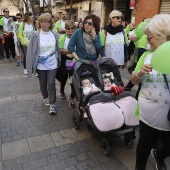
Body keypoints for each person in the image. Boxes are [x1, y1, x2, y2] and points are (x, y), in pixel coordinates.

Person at [131, 14, 170, 170]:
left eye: (150, 38)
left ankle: (159, 155)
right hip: (148, 114)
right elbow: (133, 80)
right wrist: (140, 73)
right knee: (144, 144)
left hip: (168, 115)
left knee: (168, 146)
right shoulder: (147, 56)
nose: (147, 41)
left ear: (162, 37)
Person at [26, 13, 61, 114]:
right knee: (43, 83)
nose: (43, 23)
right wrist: (31, 65)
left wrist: (58, 59)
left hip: (52, 62)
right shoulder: (36, 35)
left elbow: (57, 49)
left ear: (50, 23)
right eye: (41, 21)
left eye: (45, 21)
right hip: (41, 64)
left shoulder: (54, 34)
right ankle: (45, 97)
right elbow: (31, 51)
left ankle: (52, 104)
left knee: (51, 83)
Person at [57, 20, 77, 108]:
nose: (70, 30)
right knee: (64, 76)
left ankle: (73, 94)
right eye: (68, 28)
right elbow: (60, 50)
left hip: (74, 60)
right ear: (65, 29)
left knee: (73, 78)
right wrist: (71, 51)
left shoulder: (77, 37)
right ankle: (62, 90)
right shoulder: (62, 38)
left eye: (72, 28)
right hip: (65, 59)